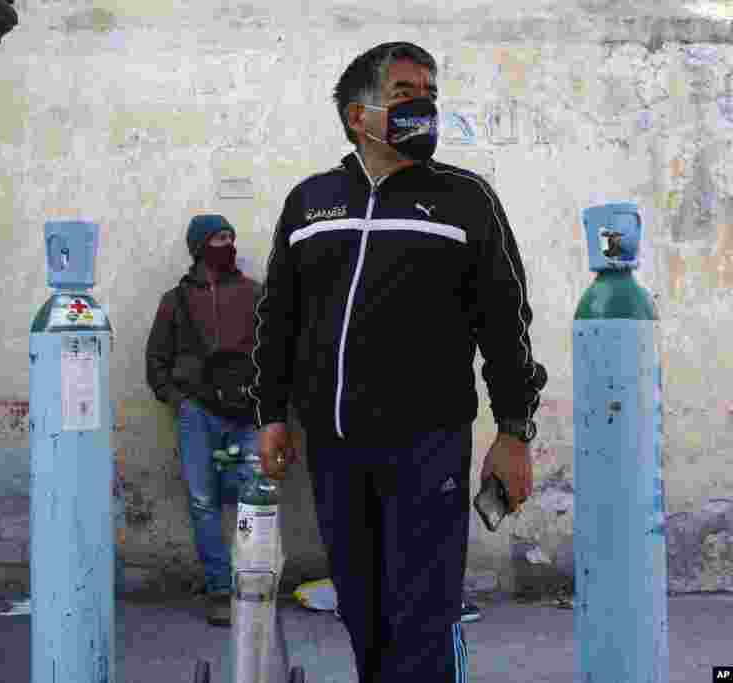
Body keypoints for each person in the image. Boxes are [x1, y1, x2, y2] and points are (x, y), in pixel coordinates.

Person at [250, 42, 547, 681]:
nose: (426, 107)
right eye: (408, 94)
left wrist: (515, 432)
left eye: (431, 96)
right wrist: (271, 415)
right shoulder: (310, 203)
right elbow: (279, 318)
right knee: (362, 612)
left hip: (426, 449)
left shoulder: (465, 199)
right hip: (335, 449)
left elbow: (505, 323)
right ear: (360, 115)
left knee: (422, 614)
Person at [146, 214, 262, 626]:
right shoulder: (174, 301)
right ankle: (219, 590)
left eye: (230, 236)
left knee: (254, 500)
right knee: (203, 502)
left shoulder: (255, 294)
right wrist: (179, 402)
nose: (226, 243)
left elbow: (279, 352)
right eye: (217, 238)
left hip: (249, 417)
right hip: (199, 415)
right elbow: (156, 361)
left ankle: (253, 588)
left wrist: (272, 406)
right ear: (198, 246)